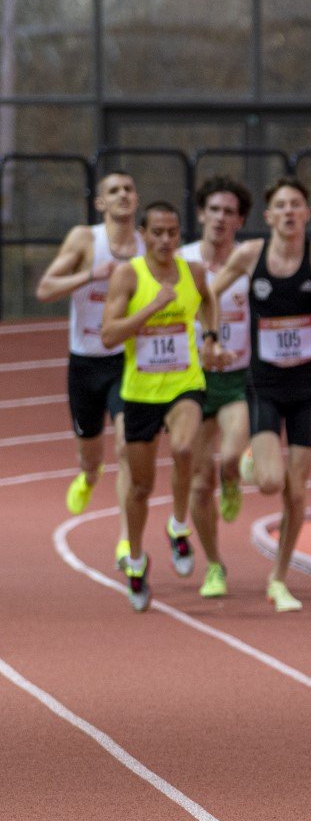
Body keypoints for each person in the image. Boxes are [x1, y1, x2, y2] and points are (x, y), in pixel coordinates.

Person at [206, 176, 311, 612]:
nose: (289, 212)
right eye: (281, 206)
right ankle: (252, 459)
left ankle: (279, 577)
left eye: (296, 205)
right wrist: (212, 336)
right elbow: (208, 292)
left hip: (307, 385)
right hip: (265, 383)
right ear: (269, 216)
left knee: (297, 489)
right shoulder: (251, 255)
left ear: (306, 214)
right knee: (272, 483)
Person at [99, 201, 222, 611]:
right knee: (140, 485)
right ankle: (136, 561)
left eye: (172, 232)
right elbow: (109, 336)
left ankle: (178, 525)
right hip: (139, 392)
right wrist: (151, 308)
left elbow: (207, 299)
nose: (166, 240)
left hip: (185, 382)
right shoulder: (128, 276)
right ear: (144, 235)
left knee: (186, 449)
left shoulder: (194, 272)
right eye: (157, 233)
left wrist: (210, 335)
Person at [35, 170, 145, 561]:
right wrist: (90, 275)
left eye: (129, 190)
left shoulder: (148, 245)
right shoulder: (86, 239)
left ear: (136, 199)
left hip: (126, 361)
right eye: (113, 191)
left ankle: (125, 538)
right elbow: (45, 289)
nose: (122, 196)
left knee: (127, 447)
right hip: (85, 363)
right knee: (92, 453)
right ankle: (88, 475)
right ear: (100, 203)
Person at [180, 176, 254, 598]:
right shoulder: (181, 260)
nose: (221, 219)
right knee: (197, 480)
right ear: (202, 214)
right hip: (190, 380)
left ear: (240, 220)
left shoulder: (248, 263)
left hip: (237, 378)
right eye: (214, 210)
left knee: (228, 456)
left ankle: (233, 475)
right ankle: (214, 565)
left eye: (230, 212)